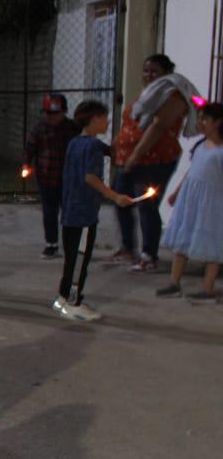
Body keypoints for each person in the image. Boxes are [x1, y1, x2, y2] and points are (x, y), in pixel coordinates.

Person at [110, 53, 200, 272]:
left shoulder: (173, 94)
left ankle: (149, 255)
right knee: (120, 200)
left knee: (146, 205)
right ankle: (127, 249)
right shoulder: (150, 94)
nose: (148, 75)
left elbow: (159, 127)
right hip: (128, 159)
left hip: (154, 160)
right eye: (146, 70)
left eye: (154, 71)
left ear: (166, 73)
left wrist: (135, 155)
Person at [52, 101, 134, 321]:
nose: (108, 122)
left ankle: (63, 298)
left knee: (71, 259)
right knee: (80, 261)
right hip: (83, 215)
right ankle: (73, 304)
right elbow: (91, 177)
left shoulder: (75, 143)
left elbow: (109, 152)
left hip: (69, 211)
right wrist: (115, 196)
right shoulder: (93, 146)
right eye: (105, 118)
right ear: (94, 119)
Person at [158, 102, 223, 302]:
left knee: (213, 241)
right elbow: (191, 171)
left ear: (218, 122)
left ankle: (207, 288)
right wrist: (176, 192)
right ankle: (174, 283)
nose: (200, 123)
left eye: (205, 119)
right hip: (191, 199)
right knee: (183, 238)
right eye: (200, 118)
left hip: (212, 202)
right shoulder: (201, 145)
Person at [22, 94, 78, 259]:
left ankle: (71, 244)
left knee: (69, 211)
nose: (51, 117)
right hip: (46, 177)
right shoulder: (39, 128)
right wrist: (26, 164)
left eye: (55, 113)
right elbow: (30, 148)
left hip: (68, 177)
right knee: (49, 211)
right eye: (48, 113)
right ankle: (51, 244)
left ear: (64, 112)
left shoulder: (71, 128)